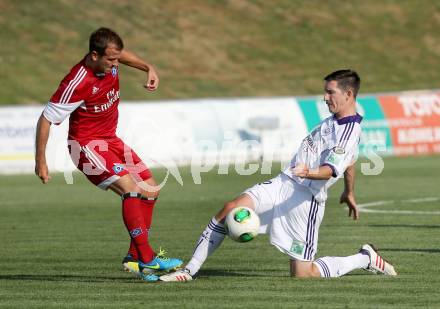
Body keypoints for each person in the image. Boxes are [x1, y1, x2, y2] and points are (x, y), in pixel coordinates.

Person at [160, 69, 397, 282]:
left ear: (348, 94)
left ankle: (364, 258)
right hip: (283, 183)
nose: (325, 97)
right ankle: (189, 270)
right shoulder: (335, 121)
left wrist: (309, 172)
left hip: (305, 200)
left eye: (330, 92)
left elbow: (329, 170)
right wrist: (349, 191)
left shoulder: (349, 130)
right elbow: (351, 158)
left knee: (303, 274)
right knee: (230, 208)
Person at [35, 27, 182, 282]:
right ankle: (147, 260)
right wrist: (41, 162)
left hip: (111, 140)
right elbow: (46, 119)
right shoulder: (76, 82)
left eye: (117, 59)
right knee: (131, 189)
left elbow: (123, 56)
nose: (116, 64)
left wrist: (149, 67)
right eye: (111, 60)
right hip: (86, 147)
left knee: (150, 187)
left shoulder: (110, 62)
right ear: (94, 55)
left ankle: (133, 256)